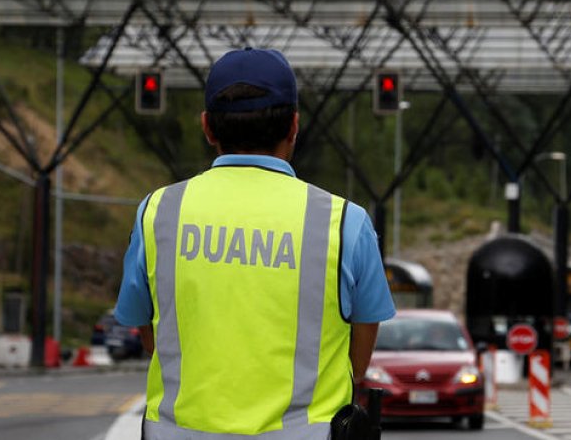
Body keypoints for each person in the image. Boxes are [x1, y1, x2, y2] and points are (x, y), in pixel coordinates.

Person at [114, 48, 396, 439]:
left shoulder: (158, 212)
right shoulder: (345, 222)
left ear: (207, 127)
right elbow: (358, 361)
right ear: (294, 126)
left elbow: (150, 336)